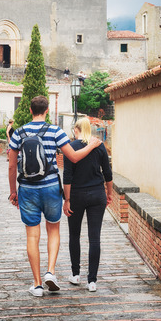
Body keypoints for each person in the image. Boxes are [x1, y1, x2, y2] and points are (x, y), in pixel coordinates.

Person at [8, 95, 101, 297]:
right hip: (50, 188)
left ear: (31, 110)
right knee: (53, 230)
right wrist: (92, 145)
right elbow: (74, 157)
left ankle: (38, 284)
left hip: (27, 189)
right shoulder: (55, 131)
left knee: (32, 235)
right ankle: (51, 271)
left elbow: (12, 165)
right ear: (47, 110)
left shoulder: (19, 133)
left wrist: (13, 192)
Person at [63, 117, 113, 292]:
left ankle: (75, 275)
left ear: (76, 130)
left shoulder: (70, 148)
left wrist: (66, 199)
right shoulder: (99, 146)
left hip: (76, 194)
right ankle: (92, 281)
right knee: (94, 237)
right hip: (96, 194)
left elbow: (67, 176)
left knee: (74, 235)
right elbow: (108, 173)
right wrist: (109, 193)